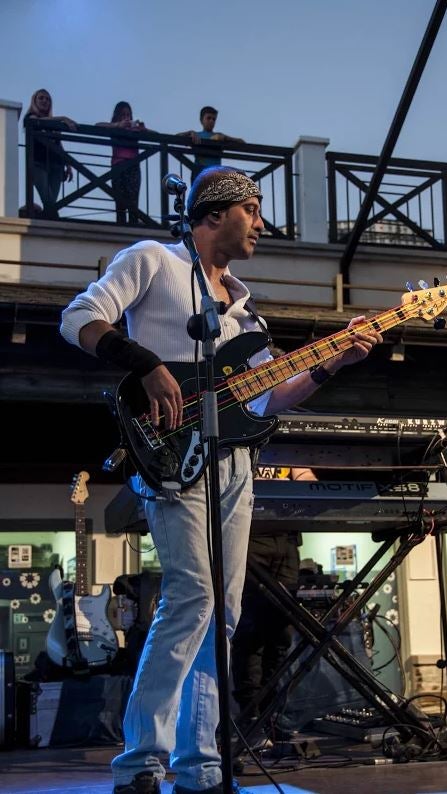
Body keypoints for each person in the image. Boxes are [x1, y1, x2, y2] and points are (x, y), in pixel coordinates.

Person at [59, 164, 382, 794]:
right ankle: (141, 761)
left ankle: (201, 765)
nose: (261, 224)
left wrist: (332, 362)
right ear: (216, 212)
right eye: (253, 210)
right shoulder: (152, 259)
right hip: (172, 455)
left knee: (224, 612)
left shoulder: (245, 310)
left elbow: (269, 398)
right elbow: (80, 317)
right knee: (193, 599)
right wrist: (147, 363)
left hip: (234, 465)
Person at [231, 465, 316, 734]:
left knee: (280, 635)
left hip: (286, 539)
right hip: (252, 536)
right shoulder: (246, 439)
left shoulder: (287, 450)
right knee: (250, 633)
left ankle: (272, 713)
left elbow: (306, 479)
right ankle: (250, 715)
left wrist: (309, 483)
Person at [23, 88, 76, 219]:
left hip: (56, 166)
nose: (44, 101)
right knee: (48, 200)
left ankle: (44, 221)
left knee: (50, 203)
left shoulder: (53, 123)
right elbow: (38, 122)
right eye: (41, 98)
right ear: (34, 101)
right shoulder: (30, 117)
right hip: (38, 163)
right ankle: (56, 223)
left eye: (47, 99)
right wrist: (63, 118)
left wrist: (68, 164)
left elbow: (58, 144)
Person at [96, 102, 147, 225]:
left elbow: (157, 135)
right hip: (118, 166)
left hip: (133, 167)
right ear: (117, 116)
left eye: (128, 115)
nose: (126, 118)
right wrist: (118, 125)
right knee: (120, 201)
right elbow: (97, 126)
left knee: (133, 200)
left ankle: (133, 225)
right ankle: (121, 224)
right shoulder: (114, 127)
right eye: (123, 115)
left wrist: (143, 129)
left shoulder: (134, 130)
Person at [176, 106, 245, 183]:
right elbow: (174, 138)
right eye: (208, 118)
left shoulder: (219, 136)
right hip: (199, 175)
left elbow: (241, 142)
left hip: (215, 177)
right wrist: (189, 133)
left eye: (214, 119)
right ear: (201, 120)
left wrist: (226, 138)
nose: (211, 121)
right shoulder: (197, 135)